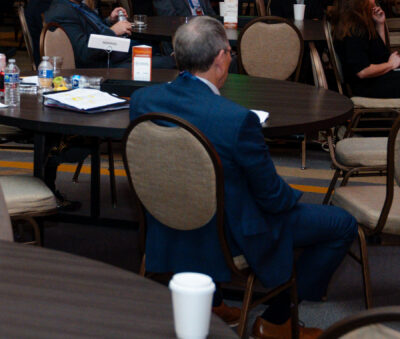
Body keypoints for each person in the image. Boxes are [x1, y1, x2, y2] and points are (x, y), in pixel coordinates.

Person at [129, 17, 356, 339]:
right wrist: (293, 197)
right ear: (221, 58)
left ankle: (212, 303)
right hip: (228, 231)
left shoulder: (143, 101)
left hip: (168, 219)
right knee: (341, 224)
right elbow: (273, 198)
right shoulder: (237, 120)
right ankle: (278, 320)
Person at [42, 0, 174, 69]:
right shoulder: (62, 12)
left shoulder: (74, 4)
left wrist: (109, 20)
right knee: (169, 63)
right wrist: (113, 32)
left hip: (114, 54)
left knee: (157, 51)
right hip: (104, 66)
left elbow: (92, 31)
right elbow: (84, 52)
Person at [333, 0, 400, 98]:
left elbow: (379, 57)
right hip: (368, 87)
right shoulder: (353, 28)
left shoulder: (359, 22)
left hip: (377, 80)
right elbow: (362, 71)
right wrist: (391, 64)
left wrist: (379, 25)